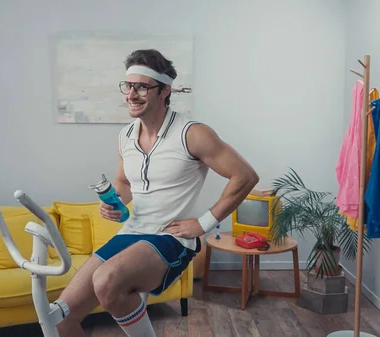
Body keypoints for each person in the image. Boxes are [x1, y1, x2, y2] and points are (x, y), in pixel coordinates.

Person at [55, 49, 259, 337]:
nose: (131, 94)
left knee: (107, 281)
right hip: (131, 232)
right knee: (60, 316)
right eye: (128, 86)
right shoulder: (125, 136)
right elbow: (123, 183)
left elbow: (246, 176)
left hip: (171, 237)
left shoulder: (192, 134)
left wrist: (202, 223)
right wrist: (115, 201)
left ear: (165, 90)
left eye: (142, 87)